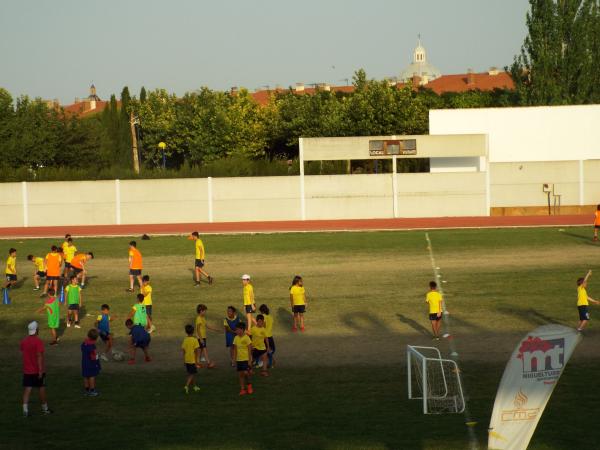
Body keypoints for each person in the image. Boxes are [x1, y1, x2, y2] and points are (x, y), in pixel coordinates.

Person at [20, 321, 52, 417]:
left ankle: (25, 410)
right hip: (37, 370)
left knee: (27, 389)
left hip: (27, 370)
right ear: (36, 330)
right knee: (41, 388)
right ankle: (45, 409)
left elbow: (23, 351)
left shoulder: (24, 341)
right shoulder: (38, 341)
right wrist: (40, 370)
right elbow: (39, 356)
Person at [195, 304, 219, 368]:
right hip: (201, 337)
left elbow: (207, 326)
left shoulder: (203, 318)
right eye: (204, 311)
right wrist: (201, 339)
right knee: (204, 349)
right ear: (201, 311)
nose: (205, 312)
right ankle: (208, 363)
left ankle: (197, 363)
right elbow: (197, 329)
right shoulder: (199, 319)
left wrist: (215, 329)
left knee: (200, 350)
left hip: (203, 337)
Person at [233, 322, 253, 396]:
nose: (236, 331)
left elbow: (249, 350)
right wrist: (234, 360)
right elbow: (235, 350)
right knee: (240, 375)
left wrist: (250, 361)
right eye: (236, 330)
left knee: (246, 373)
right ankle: (242, 389)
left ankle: (249, 385)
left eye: (238, 330)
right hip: (239, 360)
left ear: (242, 330)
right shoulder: (235, 338)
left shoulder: (247, 338)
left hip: (246, 360)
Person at [181, 324, 201, 394]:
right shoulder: (195, 340)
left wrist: (184, 360)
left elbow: (183, 351)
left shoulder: (185, 340)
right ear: (193, 332)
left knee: (191, 373)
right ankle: (186, 386)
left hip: (187, 360)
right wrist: (197, 361)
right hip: (192, 360)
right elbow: (196, 351)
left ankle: (194, 386)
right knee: (192, 374)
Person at [81, 329, 101, 396]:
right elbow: (94, 356)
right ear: (96, 338)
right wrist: (98, 363)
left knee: (85, 376)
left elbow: (82, 349)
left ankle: (86, 390)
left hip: (84, 363)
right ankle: (92, 391)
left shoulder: (84, 343)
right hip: (91, 363)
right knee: (92, 376)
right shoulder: (92, 347)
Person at [259, 304, 276, 368]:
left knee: (265, 351)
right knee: (270, 350)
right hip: (270, 336)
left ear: (262, 311)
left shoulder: (263, 316)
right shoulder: (270, 317)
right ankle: (272, 362)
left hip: (265, 337)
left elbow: (263, 326)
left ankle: (267, 363)